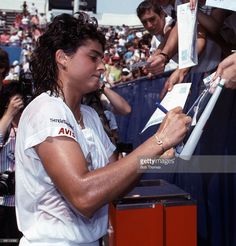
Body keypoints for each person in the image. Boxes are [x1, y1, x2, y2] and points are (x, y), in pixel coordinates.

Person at [15, 13, 191, 246]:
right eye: (93, 57)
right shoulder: (46, 110)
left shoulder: (89, 115)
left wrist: (158, 156)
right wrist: (158, 141)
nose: (101, 66)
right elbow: (84, 196)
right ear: (62, 58)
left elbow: (114, 181)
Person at [0, 82, 24, 245]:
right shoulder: (3, 122)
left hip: (24, 202)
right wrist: (9, 114)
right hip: (2, 201)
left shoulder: (30, 123)